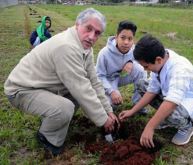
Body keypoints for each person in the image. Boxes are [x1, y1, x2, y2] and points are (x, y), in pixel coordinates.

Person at [4, 8, 118, 156]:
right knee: (65, 108)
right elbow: (81, 89)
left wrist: (108, 110)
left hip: (42, 87)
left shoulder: (85, 47)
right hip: (21, 90)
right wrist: (103, 120)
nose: (91, 36)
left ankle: (54, 120)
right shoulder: (66, 47)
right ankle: (47, 137)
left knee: (75, 99)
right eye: (88, 28)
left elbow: (93, 81)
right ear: (77, 25)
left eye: (97, 33)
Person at [119, 34, 193, 148]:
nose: (144, 69)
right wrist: (132, 111)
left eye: (146, 66)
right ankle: (167, 118)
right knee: (141, 84)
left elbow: (172, 102)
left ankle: (187, 126)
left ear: (158, 60)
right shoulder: (161, 59)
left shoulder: (180, 69)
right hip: (171, 94)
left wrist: (150, 126)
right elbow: (151, 90)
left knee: (171, 113)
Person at [96, 20, 148, 114]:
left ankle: (138, 104)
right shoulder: (104, 53)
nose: (126, 42)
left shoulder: (134, 49)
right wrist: (111, 92)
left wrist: (130, 61)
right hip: (109, 80)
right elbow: (99, 76)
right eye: (123, 38)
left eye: (130, 39)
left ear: (133, 39)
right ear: (116, 37)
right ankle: (110, 99)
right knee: (110, 105)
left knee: (140, 70)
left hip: (122, 77)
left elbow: (142, 61)